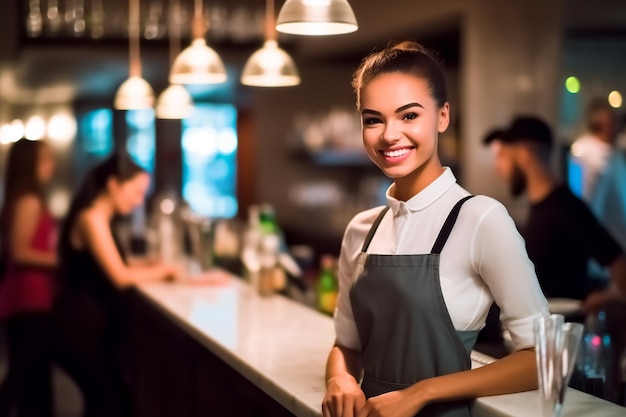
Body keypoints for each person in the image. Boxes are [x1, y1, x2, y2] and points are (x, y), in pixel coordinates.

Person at [322, 41, 549, 417]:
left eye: (409, 116)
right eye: (373, 119)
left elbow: (540, 357)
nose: (389, 135)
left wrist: (421, 392)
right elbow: (346, 345)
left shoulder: (481, 219)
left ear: (443, 116)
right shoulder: (360, 230)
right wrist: (340, 379)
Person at [53, 153, 180, 417]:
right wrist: (164, 270)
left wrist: (147, 265)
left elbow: (108, 263)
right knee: (110, 404)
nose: (139, 201)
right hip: (79, 329)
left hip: (91, 327)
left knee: (107, 402)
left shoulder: (101, 217)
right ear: (113, 184)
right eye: (135, 192)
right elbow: (119, 277)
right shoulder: (92, 218)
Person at [483, 116, 626, 309]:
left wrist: (603, 301)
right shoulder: (541, 206)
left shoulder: (566, 208)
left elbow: (618, 262)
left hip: (563, 334)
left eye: (503, 155)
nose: (498, 167)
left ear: (524, 155)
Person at [0, 139, 57, 417]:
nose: (51, 164)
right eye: (45, 158)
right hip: (27, 298)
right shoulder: (29, 199)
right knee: (23, 377)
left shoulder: (27, 197)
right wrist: (62, 261)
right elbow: (20, 252)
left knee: (32, 379)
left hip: (32, 298)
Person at [570, 98, 620, 202]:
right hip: (588, 213)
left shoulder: (617, 151)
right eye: (609, 121)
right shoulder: (582, 149)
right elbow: (576, 187)